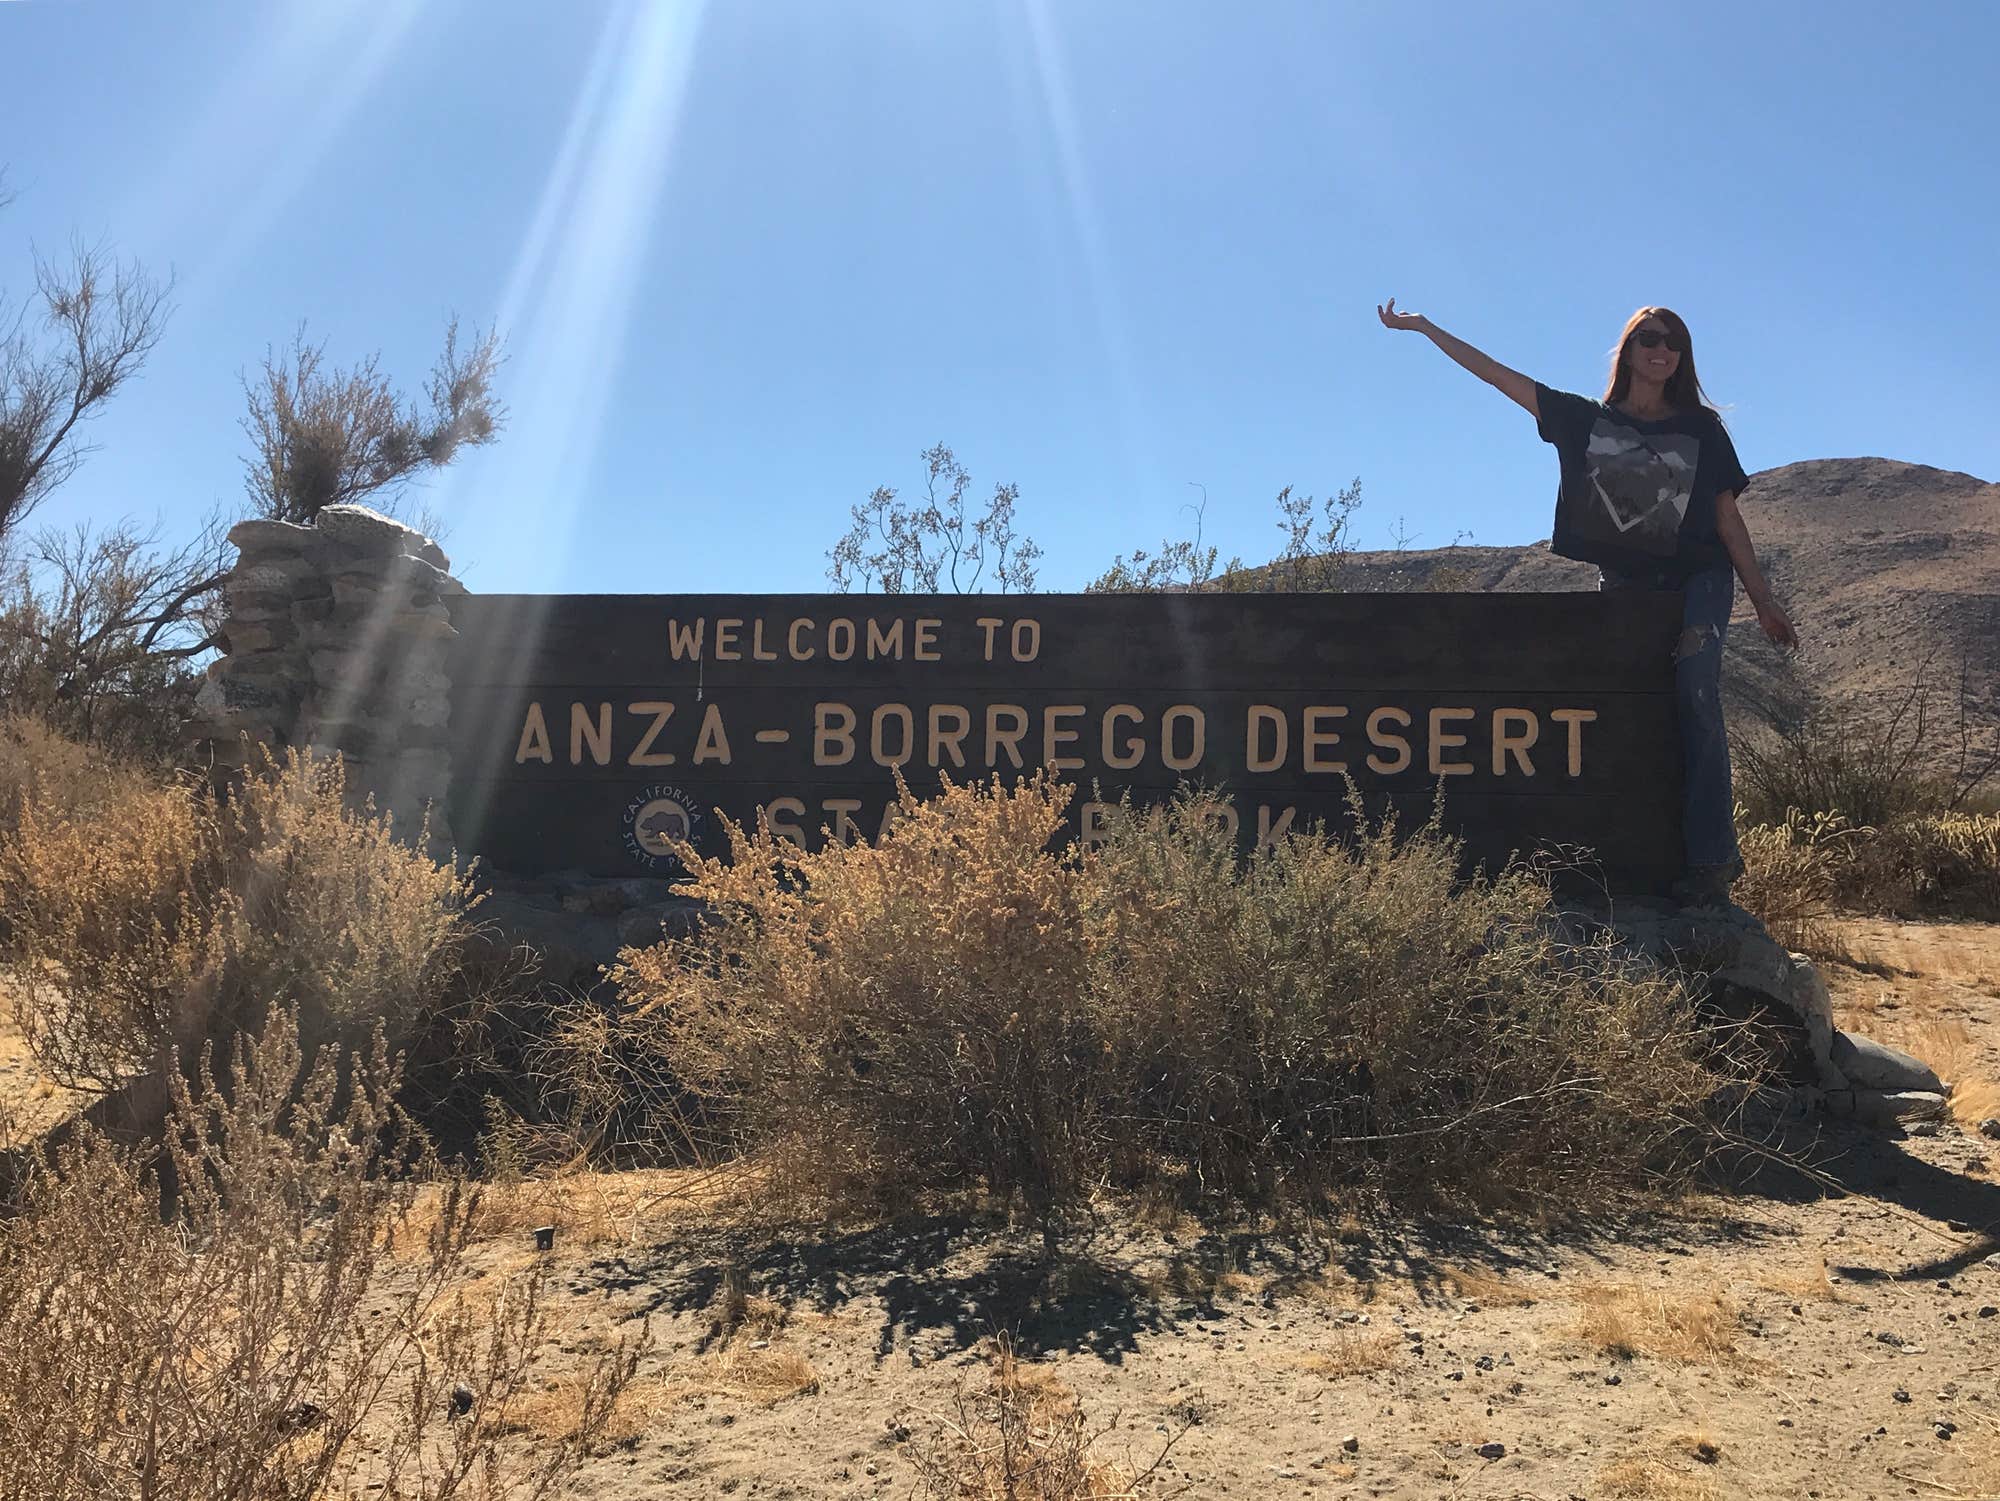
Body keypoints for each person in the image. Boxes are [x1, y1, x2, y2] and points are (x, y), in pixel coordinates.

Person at [1375, 299, 1798, 904]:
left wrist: (1762, 599)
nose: (1662, 349)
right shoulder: (1584, 420)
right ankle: (1622, 852)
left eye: (1674, 342)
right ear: (1627, 347)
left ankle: (1711, 861)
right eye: (1650, 337)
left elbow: (1726, 517)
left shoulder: (1701, 429)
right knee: (1620, 711)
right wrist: (1421, 328)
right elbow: (1496, 374)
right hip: (1626, 586)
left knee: (1695, 693)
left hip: (1699, 580)